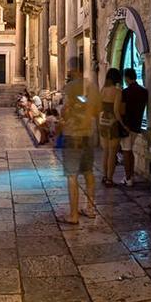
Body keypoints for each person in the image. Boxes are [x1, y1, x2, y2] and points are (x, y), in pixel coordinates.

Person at [59, 56, 101, 224]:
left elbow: (65, 111)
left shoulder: (69, 87)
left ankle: (74, 215)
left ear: (72, 69)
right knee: (88, 172)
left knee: (72, 175)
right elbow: (97, 109)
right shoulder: (91, 86)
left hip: (73, 135)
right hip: (88, 134)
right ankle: (90, 209)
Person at [120, 67, 148, 187]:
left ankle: (128, 178)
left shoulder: (125, 92)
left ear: (126, 78)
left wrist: (123, 124)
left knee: (126, 152)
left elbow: (122, 109)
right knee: (130, 150)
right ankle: (131, 175)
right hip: (137, 125)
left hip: (127, 126)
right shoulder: (143, 91)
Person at [99, 68, 125, 187]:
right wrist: (123, 124)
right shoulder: (117, 91)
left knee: (105, 152)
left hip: (103, 122)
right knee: (112, 152)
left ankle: (105, 176)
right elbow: (116, 110)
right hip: (113, 123)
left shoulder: (103, 90)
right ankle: (110, 179)